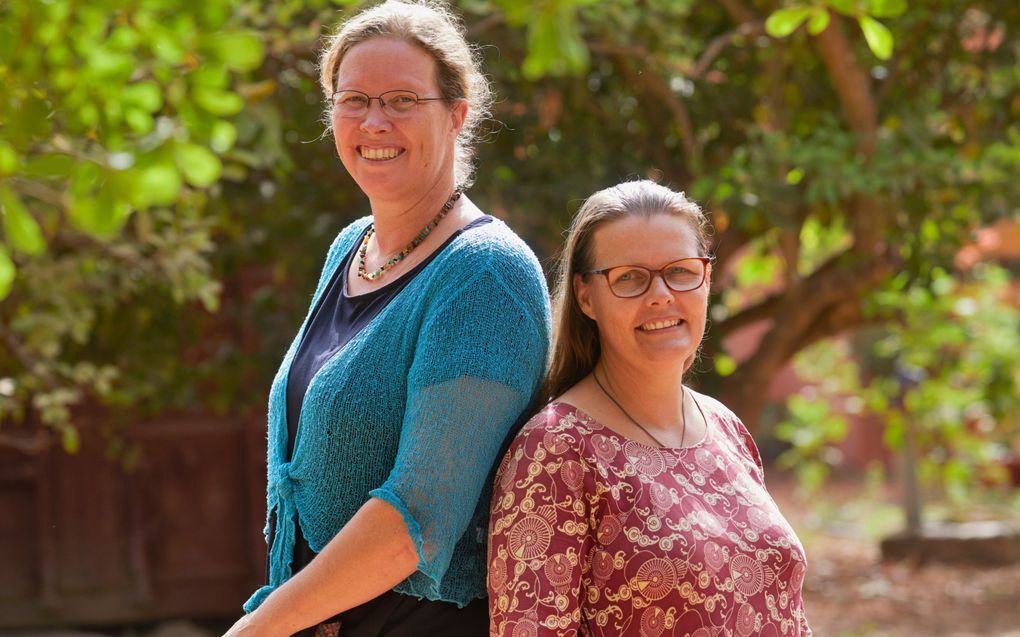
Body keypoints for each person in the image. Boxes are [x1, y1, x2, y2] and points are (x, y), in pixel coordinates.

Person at [225, 2, 550, 635]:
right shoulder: (351, 246)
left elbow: (418, 518)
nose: (375, 121)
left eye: (403, 100)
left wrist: (257, 630)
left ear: (457, 115)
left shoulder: (487, 275)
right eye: (354, 100)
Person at [488, 181, 811, 636]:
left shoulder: (725, 428)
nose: (660, 295)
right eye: (630, 278)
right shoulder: (556, 451)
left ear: (707, 278)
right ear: (586, 297)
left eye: (680, 271)